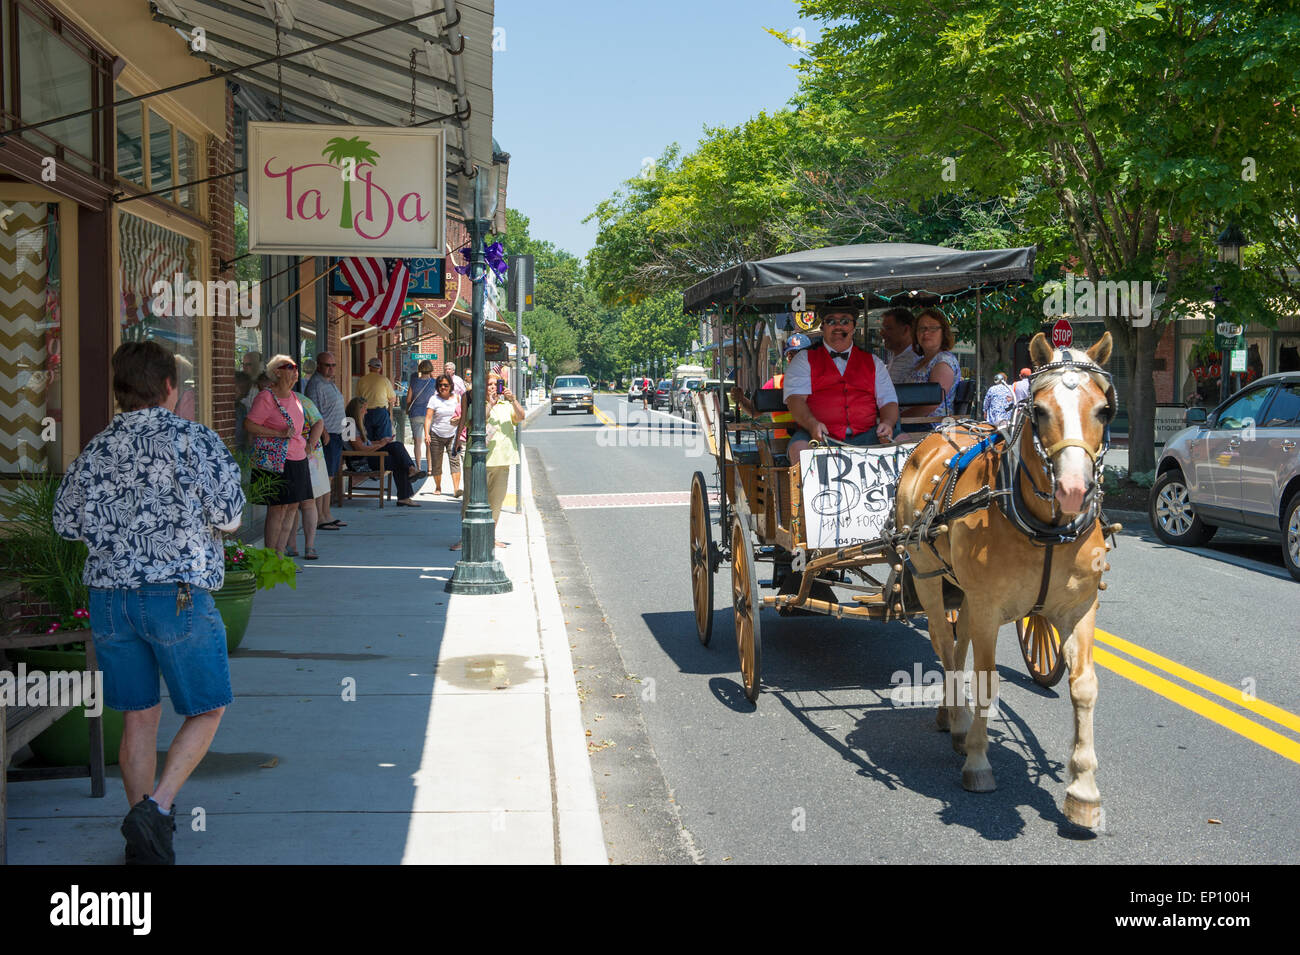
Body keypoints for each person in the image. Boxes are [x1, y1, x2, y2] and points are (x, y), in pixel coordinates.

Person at [54, 340, 243, 865]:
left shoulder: (96, 448)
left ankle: (146, 837)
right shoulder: (194, 440)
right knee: (208, 707)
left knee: (138, 719)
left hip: (110, 599)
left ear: (120, 391)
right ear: (167, 388)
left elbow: (65, 523)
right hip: (176, 593)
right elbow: (229, 516)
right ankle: (156, 810)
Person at [783, 297, 899, 464]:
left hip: (869, 436)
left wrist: (888, 423)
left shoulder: (873, 362)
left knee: (905, 442)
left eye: (844, 321)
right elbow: (795, 400)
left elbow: (888, 401)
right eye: (831, 321)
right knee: (799, 450)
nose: (838, 326)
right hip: (819, 437)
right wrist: (812, 424)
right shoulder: (803, 359)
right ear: (823, 326)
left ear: (853, 326)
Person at [243, 354, 317, 556]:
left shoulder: (294, 397)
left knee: (292, 507)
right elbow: (249, 424)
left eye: (296, 368)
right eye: (290, 367)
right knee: (277, 508)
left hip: (297, 458)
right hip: (275, 460)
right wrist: (277, 434)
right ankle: (270, 556)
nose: (296, 372)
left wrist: (308, 445)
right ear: (276, 371)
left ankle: (280, 554)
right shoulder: (266, 397)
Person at [451, 371, 525, 550]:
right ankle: (466, 538)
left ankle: (490, 537)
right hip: (477, 460)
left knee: (496, 501)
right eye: (488, 384)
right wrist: (490, 405)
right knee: (470, 500)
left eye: (495, 384)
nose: (492, 387)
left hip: (502, 458)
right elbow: (478, 421)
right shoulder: (474, 402)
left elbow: (521, 417)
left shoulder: (506, 403)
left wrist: (513, 400)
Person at [344, 396, 421, 506]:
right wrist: (380, 444)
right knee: (398, 461)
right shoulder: (349, 424)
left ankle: (411, 469)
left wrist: (380, 441)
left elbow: (366, 444)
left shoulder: (356, 423)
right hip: (360, 461)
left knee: (397, 446)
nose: (366, 412)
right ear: (358, 410)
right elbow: (359, 449)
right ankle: (404, 495)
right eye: (365, 409)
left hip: (366, 455)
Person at [303, 350, 346, 530]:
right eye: (327, 365)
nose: (331, 368)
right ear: (318, 366)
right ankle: (320, 517)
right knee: (323, 478)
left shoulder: (329, 383)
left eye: (333, 365)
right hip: (326, 436)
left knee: (329, 477)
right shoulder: (315, 384)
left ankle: (327, 513)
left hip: (336, 435)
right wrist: (324, 432)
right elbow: (313, 412)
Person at [284, 392, 328, 559]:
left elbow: (318, 421)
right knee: (292, 503)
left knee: (308, 502)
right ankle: (292, 545)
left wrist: (309, 445)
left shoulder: (300, 400)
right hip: (288, 456)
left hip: (310, 456)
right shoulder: (270, 399)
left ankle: (309, 546)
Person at [899, 307, 963, 419]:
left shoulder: (943, 362)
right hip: (909, 423)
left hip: (928, 426)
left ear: (943, 332)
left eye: (933, 328)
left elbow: (932, 404)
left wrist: (897, 418)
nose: (926, 332)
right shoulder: (919, 362)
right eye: (922, 328)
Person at [424, 373, 464, 496]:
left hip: (453, 434)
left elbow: (462, 415)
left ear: (450, 386)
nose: (443, 387)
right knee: (436, 462)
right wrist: (427, 434)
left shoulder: (457, 398)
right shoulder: (434, 399)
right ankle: (438, 487)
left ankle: (456, 489)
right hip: (436, 434)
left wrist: (458, 422)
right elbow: (428, 418)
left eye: (446, 385)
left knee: (455, 461)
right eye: (440, 385)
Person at [406, 360, 439, 474]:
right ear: (431, 369)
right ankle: (430, 468)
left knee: (417, 442)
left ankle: (418, 467)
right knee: (428, 441)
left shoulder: (414, 382)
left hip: (415, 413)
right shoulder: (435, 383)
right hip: (429, 415)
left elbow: (408, 399)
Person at [356, 355, 397, 441]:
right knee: (384, 440)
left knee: (368, 440)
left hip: (366, 412)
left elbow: (358, 399)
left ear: (369, 367)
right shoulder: (384, 380)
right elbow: (393, 398)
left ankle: (370, 454)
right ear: (380, 368)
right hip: (381, 412)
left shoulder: (362, 380)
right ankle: (381, 454)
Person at [878, 307, 920, 383]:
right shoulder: (896, 356)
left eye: (888, 328)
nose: (881, 333)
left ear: (906, 330)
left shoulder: (915, 361)